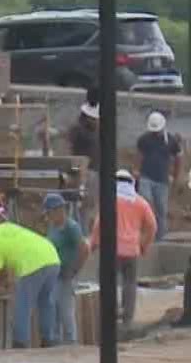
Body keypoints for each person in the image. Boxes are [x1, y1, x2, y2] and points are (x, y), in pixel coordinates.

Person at [0, 217, 61, 349]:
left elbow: (2, 275)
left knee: (22, 305)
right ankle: (49, 340)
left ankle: (20, 343)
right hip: (52, 257)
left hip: (32, 264)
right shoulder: (3, 227)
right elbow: (14, 252)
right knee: (45, 302)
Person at [87, 168, 159, 331]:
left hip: (111, 251)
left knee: (108, 282)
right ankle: (127, 319)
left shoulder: (109, 200)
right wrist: (144, 246)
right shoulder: (140, 202)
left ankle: (110, 317)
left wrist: (93, 244)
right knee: (130, 284)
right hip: (132, 251)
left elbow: (99, 224)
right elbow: (153, 226)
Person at [42, 192, 87, 345]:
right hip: (55, 275)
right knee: (53, 309)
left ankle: (71, 343)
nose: (48, 216)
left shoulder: (71, 227)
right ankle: (57, 344)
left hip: (65, 277)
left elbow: (84, 249)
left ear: (58, 210)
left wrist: (74, 270)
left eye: (49, 213)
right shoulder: (53, 228)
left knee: (66, 312)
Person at [135, 110, 182, 234]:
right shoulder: (144, 139)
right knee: (146, 203)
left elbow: (178, 158)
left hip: (162, 181)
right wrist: (137, 171)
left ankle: (160, 236)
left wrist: (175, 176)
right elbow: (139, 155)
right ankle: (145, 233)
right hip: (146, 177)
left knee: (161, 210)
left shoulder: (171, 141)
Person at [66, 96, 101, 202]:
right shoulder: (80, 131)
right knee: (85, 203)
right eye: (95, 119)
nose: (97, 121)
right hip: (85, 171)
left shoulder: (91, 131)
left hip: (92, 170)